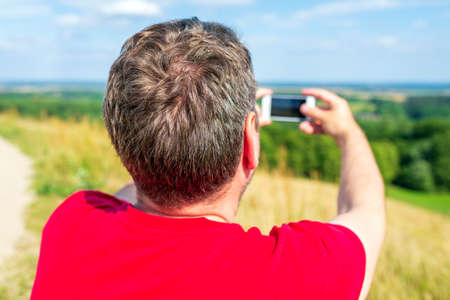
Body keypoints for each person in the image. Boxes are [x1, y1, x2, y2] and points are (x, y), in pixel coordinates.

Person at [31, 18, 385, 300]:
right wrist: (348, 133)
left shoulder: (73, 222)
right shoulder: (297, 273)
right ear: (250, 140)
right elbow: (366, 212)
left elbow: (140, 181)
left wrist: (187, 127)